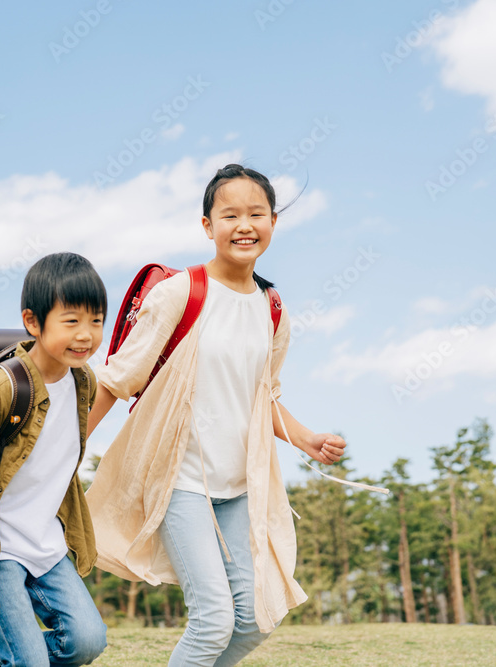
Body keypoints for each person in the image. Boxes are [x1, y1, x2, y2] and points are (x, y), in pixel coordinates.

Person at [86, 164, 347, 666]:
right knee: (212, 621)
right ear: (207, 225)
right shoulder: (181, 293)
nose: (244, 225)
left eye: (257, 213)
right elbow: (117, 380)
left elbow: (263, 396)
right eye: (230, 215)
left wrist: (306, 439)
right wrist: (68, 449)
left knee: (252, 619)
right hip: (179, 483)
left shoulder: (273, 308)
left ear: (273, 222)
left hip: (239, 489)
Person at [0, 252, 108, 667]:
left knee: (87, 643)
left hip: (46, 545)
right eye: (71, 321)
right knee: (32, 663)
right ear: (33, 321)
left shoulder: (83, 382)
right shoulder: (4, 389)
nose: (86, 334)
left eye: (96, 320)